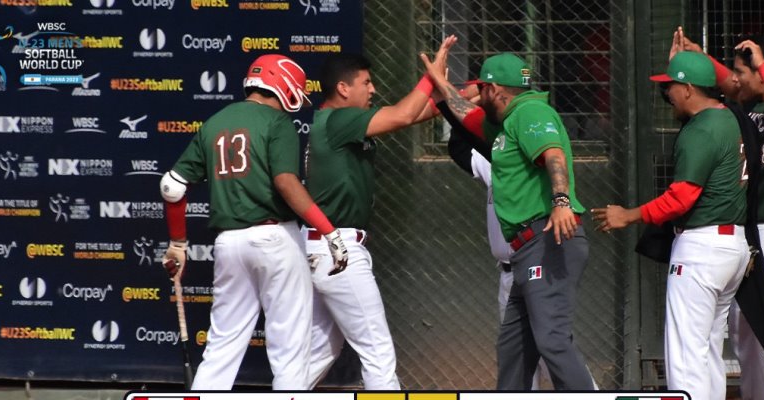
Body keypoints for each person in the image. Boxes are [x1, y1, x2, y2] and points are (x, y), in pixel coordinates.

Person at [159, 54, 348, 390]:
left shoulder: (215, 122)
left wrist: (177, 244)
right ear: (284, 85)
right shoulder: (278, 123)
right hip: (275, 238)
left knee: (222, 345)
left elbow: (171, 187)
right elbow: (286, 183)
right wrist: (328, 229)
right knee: (289, 347)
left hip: (229, 243)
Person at [423, 52, 594, 390]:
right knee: (514, 347)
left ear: (496, 88)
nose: (479, 93)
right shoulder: (504, 123)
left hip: (548, 238)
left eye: (482, 87)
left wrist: (561, 202)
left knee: (553, 341)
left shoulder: (530, 111)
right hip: (528, 247)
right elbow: (465, 114)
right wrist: (440, 82)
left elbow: (554, 155)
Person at [591, 51, 750, 399]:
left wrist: (628, 215)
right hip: (730, 247)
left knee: (685, 356)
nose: (667, 94)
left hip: (702, 249)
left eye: (672, 86)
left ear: (690, 88)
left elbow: (681, 198)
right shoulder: (728, 118)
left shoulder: (702, 130)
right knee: (707, 351)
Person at [303, 35, 456, 390]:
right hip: (338, 248)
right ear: (342, 88)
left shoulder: (337, 123)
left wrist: (466, 94)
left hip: (324, 247)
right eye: (366, 82)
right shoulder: (338, 121)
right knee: (378, 355)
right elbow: (403, 114)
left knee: (318, 352)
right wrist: (430, 77)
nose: (373, 89)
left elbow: (417, 113)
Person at [674, 28, 764, 399]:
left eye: (742, 71)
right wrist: (700, 58)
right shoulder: (748, 103)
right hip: (754, 234)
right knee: (745, 333)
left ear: (763, 70)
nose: (734, 78)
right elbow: (729, 81)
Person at [438, 86, 553, 390]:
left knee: (554, 352)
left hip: (538, 267)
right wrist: (468, 101)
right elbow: (460, 149)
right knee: (518, 359)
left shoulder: (532, 164)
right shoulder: (496, 163)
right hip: (508, 276)